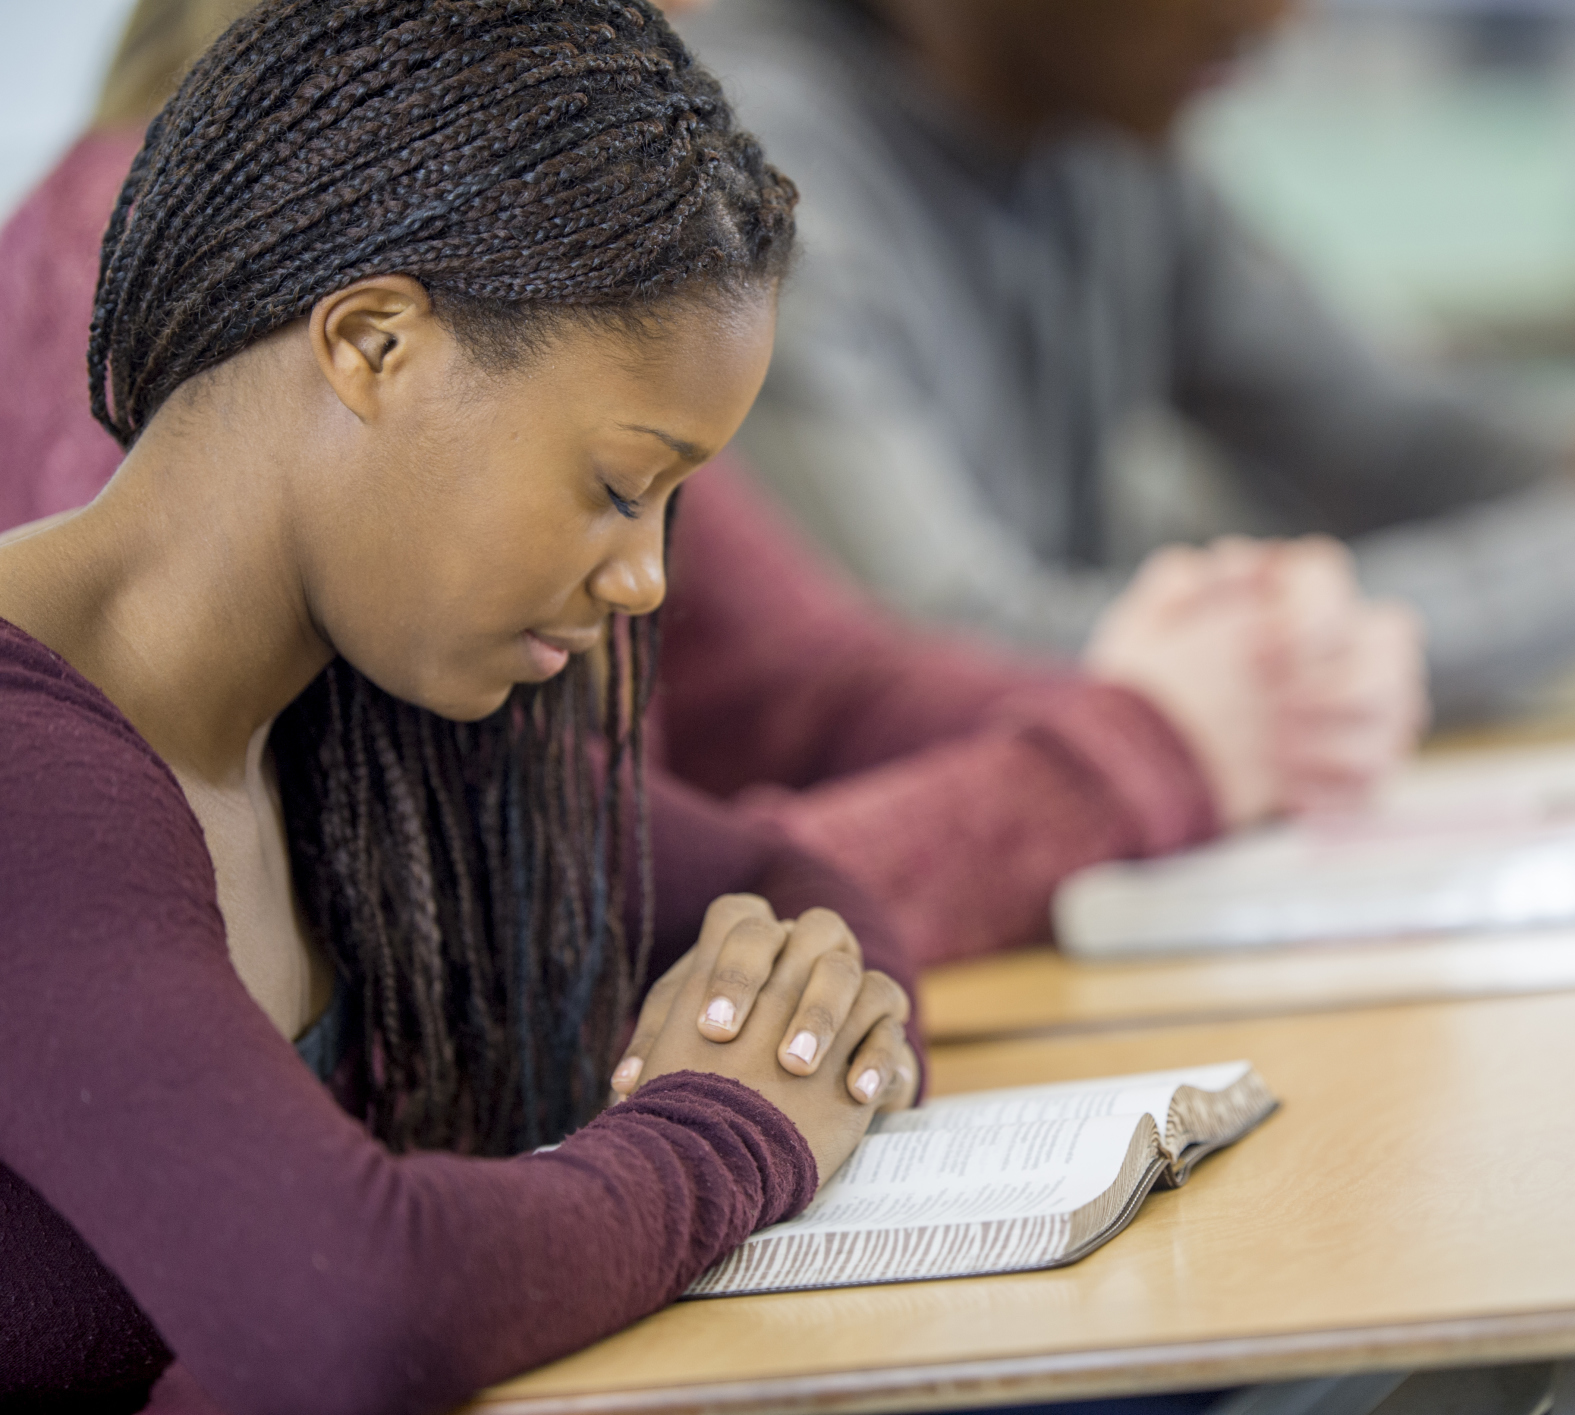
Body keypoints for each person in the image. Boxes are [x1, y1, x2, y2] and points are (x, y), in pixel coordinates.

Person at [0, 0, 1424, 971]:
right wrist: (1130, 760)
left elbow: (809, 680)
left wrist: (1208, 697)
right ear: (369, 344)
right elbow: (514, 942)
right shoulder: (178, 311)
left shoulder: (536, 259)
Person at [0, 4, 931, 1409]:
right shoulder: (28, 764)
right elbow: (356, 1303)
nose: (643, 576)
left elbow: (784, 885)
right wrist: (730, 1129)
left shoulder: (353, 715)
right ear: (373, 343)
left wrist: (782, 1025)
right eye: (622, 486)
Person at [677, 0, 1575, 720]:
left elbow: (1393, 437)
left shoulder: (1098, 134)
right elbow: (953, 671)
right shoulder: (732, 162)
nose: (1280, 13)